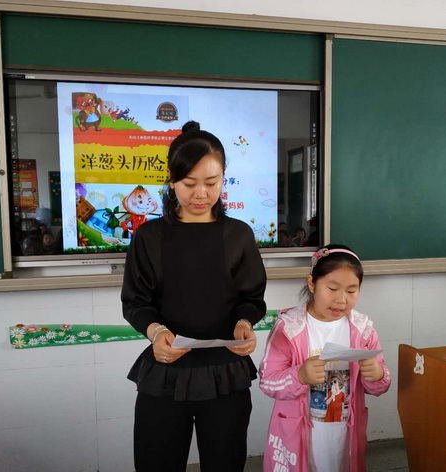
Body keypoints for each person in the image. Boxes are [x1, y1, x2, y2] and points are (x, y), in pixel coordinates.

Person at [121, 121, 267, 472]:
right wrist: (156, 331)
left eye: (212, 182)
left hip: (225, 372)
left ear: (223, 178)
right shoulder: (149, 236)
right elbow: (136, 302)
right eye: (189, 183)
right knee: (157, 462)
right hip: (165, 371)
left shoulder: (238, 235)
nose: (201, 193)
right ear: (171, 180)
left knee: (225, 462)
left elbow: (251, 297)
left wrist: (244, 322)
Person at [259, 244, 390, 472]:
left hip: (345, 437)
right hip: (299, 439)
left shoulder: (363, 330)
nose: (341, 300)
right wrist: (300, 376)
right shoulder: (288, 328)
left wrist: (377, 375)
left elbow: (381, 384)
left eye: (351, 291)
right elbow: (267, 381)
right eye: (332, 288)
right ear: (312, 283)